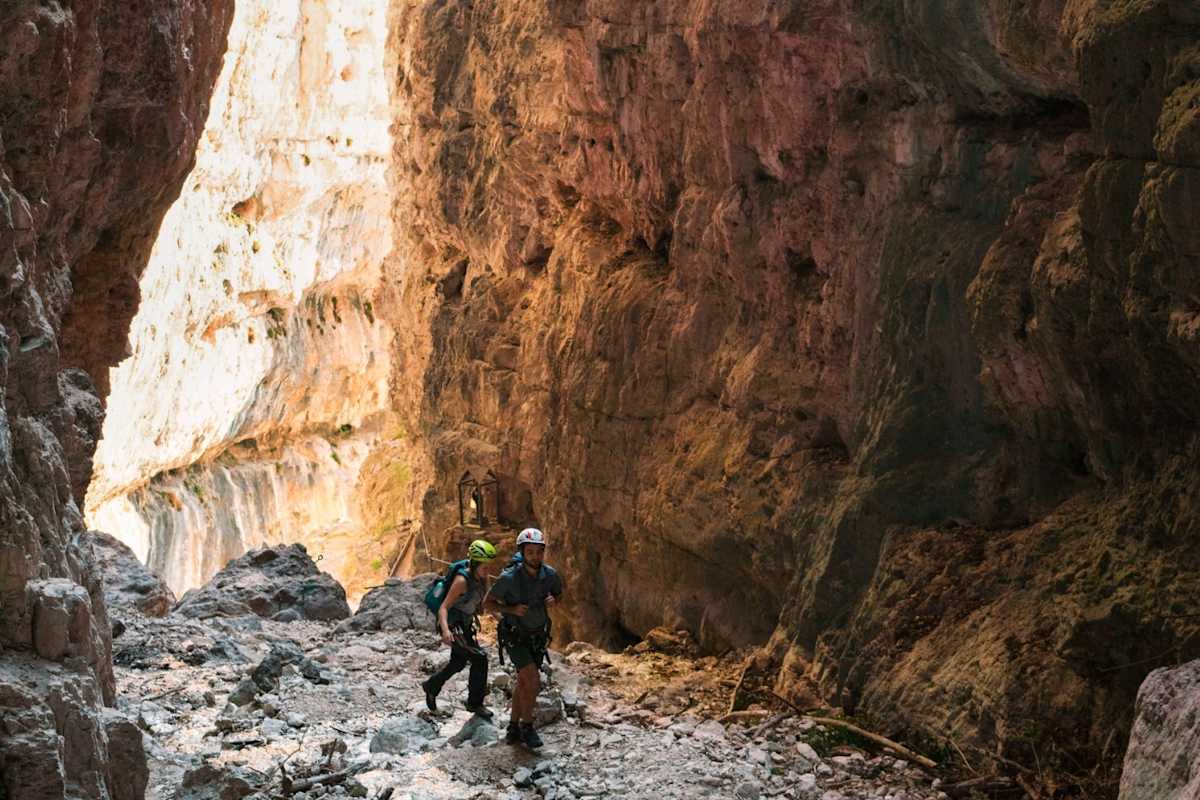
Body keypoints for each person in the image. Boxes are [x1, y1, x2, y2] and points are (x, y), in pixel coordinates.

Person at [484, 527, 563, 748]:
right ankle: (527, 726)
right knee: (533, 680)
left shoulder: (550, 575)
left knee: (523, 681)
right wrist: (511, 609)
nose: (535, 556)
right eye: (530, 552)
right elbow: (488, 603)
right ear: (522, 552)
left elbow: (559, 595)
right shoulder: (509, 578)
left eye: (539, 552)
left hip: (537, 636)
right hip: (515, 635)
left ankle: (513, 727)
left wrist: (554, 601)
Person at [421, 539, 498, 718]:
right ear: (475, 564)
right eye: (485, 567)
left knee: (458, 662)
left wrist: (503, 619)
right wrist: (445, 631)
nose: (488, 570)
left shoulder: (483, 578)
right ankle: (475, 704)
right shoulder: (461, 581)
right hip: (453, 625)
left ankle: (432, 686)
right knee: (480, 658)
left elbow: (486, 603)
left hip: (466, 624)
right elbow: (443, 608)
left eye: (489, 566)